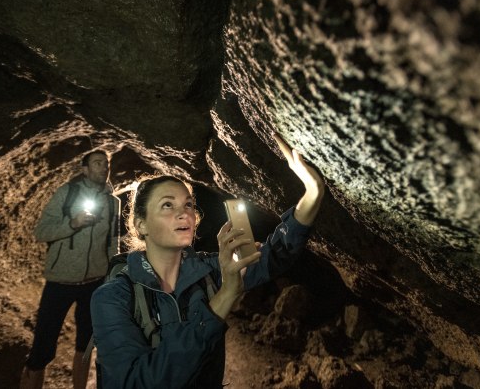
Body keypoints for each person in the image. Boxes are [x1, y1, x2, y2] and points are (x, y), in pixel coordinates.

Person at [90, 134, 324, 388]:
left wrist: (313, 191)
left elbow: (274, 256)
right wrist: (224, 297)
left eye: (189, 204)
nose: (184, 212)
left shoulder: (208, 270)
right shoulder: (113, 296)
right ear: (141, 225)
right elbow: (137, 382)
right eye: (167, 205)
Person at [21, 150, 121, 389]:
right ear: (85, 169)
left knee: (86, 344)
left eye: (106, 164)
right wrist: (72, 224)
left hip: (94, 283)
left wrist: (111, 277)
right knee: (43, 346)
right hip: (60, 282)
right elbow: (41, 232)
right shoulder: (66, 194)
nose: (104, 168)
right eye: (97, 163)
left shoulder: (112, 202)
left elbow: (112, 242)